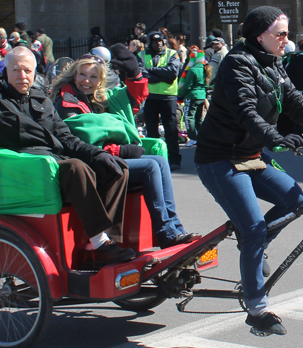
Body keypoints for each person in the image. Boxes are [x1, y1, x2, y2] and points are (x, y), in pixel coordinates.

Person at [194, 6, 303, 336]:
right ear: (260, 36)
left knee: (294, 199)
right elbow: (245, 113)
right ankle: (257, 309)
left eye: (287, 33)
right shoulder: (237, 63)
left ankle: (252, 243)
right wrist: (279, 139)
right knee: (253, 227)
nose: (287, 39)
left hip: (250, 154)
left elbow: (296, 103)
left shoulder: (273, 63)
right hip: (220, 158)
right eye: (281, 34)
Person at [0, 41, 135, 266]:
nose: (22, 75)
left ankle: (103, 244)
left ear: (35, 72)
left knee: (115, 168)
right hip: (25, 172)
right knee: (75, 166)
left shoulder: (41, 98)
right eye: (15, 70)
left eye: (27, 70)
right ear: (6, 71)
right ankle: (100, 243)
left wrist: (98, 154)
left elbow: (67, 139)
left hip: (53, 165)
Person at [51, 45, 200, 248]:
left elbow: (132, 101)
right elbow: (81, 140)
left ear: (100, 81)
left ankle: (175, 227)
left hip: (104, 157)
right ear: (73, 74)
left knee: (159, 162)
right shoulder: (66, 102)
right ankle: (165, 232)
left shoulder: (93, 99)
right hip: (89, 163)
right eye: (82, 74)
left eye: (94, 77)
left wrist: (134, 74)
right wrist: (118, 150)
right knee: (150, 166)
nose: (87, 81)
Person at [137, 31, 182, 171]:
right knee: (151, 130)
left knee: (171, 130)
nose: (160, 44)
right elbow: (140, 73)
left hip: (168, 97)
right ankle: (154, 158)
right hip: (150, 97)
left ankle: (174, 159)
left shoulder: (172, 54)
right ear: (150, 42)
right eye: (156, 42)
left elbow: (173, 73)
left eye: (162, 41)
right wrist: (160, 75)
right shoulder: (142, 54)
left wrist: (151, 71)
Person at [279, 39, 303, 136]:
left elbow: (301, 76)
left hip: (299, 91)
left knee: (299, 112)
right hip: (295, 90)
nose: (296, 48)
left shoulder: (301, 59)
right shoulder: (293, 58)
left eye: (298, 46)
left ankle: (300, 133)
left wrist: (299, 91)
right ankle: (293, 132)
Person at [177, 49, 210, 147]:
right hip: (201, 96)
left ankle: (192, 138)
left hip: (191, 96)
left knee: (189, 117)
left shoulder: (192, 70)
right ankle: (201, 137)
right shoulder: (205, 69)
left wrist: (179, 94)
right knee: (199, 118)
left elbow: (187, 85)